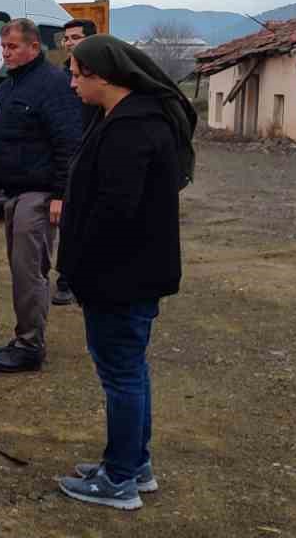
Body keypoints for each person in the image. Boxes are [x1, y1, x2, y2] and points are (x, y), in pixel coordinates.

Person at [55, 34, 195, 510]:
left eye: (77, 74)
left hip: (119, 276)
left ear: (104, 76)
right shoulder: (125, 118)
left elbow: (114, 211)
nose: (71, 82)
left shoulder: (131, 129)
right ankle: (133, 464)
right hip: (128, 272)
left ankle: (119, 481)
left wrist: (80, 268)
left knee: (121, 375)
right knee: (130, 371)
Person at [0, 18, 83, 373]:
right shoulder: (8, 88)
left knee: (29, 269)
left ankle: (29, 345)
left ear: (34, 47)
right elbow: (0, 143)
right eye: (3, 47)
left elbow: (67, 143)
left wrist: (59, 194)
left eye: (12, 48)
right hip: (13, 191)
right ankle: (23, 335)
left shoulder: (53, 85)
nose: (5, 54)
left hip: (38, 192)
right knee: (19, 267)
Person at [51, 18, 101, 306]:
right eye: (66, 38)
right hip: (69, 155)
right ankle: (65, 280)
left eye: (76, 37)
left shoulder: (103, 75)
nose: (69, 43)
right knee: (68, 223)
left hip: (94, 153)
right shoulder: (61, 75)